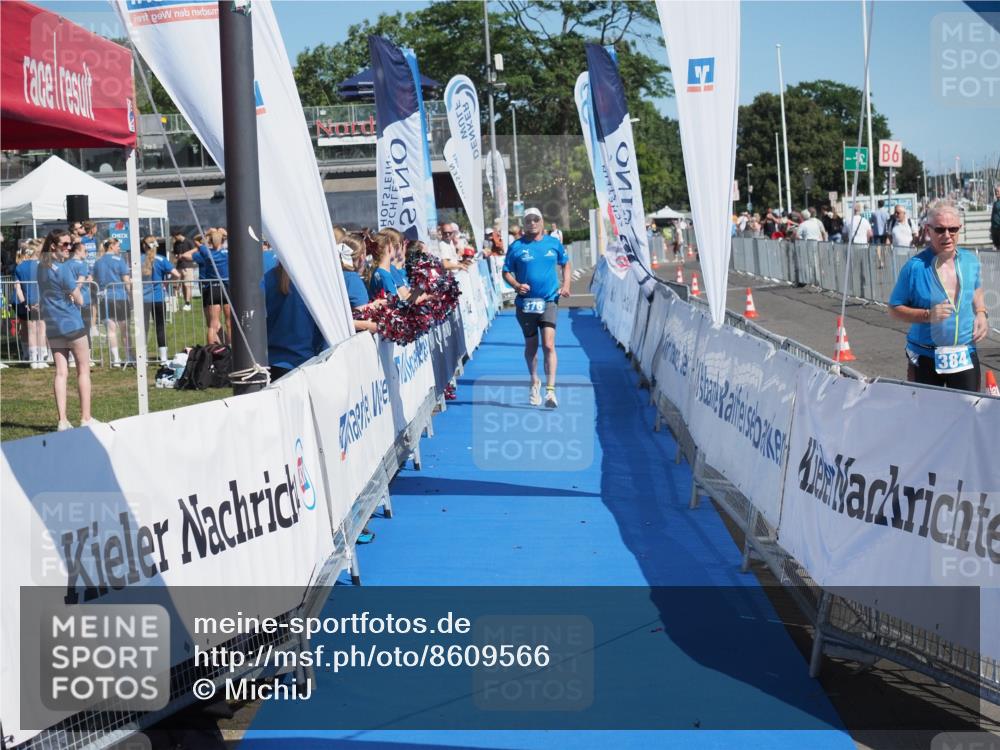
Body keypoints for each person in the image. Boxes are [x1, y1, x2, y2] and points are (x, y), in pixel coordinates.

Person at [888, 200, 988, 392]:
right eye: (940, 230)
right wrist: (927, 315)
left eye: (953, 229)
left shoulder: (969, 260)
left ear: (960, 229)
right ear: (928, 230)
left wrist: (982, 313)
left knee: (968, 412)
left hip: (964, 353)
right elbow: (894, 309)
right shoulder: (914, 267)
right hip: (926, 355)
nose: (947, 235)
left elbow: (976, 288)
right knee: (929, 417)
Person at [502, 207, 571, 408]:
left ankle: (550, 391)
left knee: (549, 344)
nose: (532, 223)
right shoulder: (516, 247)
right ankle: (534, 380)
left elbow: (565, 264)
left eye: (536, 219)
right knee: (531, 346)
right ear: (524, 223)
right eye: (528, 220)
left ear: (542, 221)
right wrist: (516, 285)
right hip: (525, 304)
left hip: (549, 300)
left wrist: (566, 285)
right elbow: (506, 272)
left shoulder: (554, 243)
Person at [36, 230, 96, 431]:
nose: (68, 248)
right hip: (71, 322)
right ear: (53, 245)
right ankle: (86, 417)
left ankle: (62, 420)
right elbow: (78, 298)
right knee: (83, 369)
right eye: (64, 244)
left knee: (61, 372)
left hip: (52, 324)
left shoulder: (40, 267)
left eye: (70, 244)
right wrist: (76, 291)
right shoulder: (61, 269)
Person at [93, 237, 132, 366]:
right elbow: (127, 281)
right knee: (124, 330)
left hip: (105, 298)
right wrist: (131, 295)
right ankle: (128, 356)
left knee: (111, 330)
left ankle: (116, 359)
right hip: (120, 297)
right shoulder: (120, 260)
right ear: (111, 246)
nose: (119, 248)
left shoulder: (98, 262)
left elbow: (94, 280)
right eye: (118, 246)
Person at [141, 236, 181, 362]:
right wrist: (168, 283)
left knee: (143, 328)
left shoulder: (139, 260)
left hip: (143, 299)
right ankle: (163, 358)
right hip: (158, 298)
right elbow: (177, 274)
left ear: (144, 246)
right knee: (160, 327)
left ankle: (144, 358)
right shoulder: (161, 259)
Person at [14, 241, 48, 368]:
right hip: (41, 300)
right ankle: (41, 359)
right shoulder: (43, 265)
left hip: (27, 301)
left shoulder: (19, 266)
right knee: (41, 330)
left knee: (31, 331)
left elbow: (18, 288)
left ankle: (33, 360)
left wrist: (24, 303)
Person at [68, 241, 95, 351]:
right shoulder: (82, 264)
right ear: (78, 251)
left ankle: (71, 354)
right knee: (85, 328)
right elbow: (80, 282)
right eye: (85, 251)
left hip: (69, 300)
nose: (87, 253)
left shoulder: (67, 264)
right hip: (83, 300)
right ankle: (87, 354)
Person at [171, 230, 197, 311]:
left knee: (187, 285)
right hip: (179, 266)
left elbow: (194, 252)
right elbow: (175, 254)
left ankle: (188, 303)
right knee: (177, 285)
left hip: (188, 266)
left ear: (179, 235)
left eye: (175, 237)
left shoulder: (189, 242)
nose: (175, 239)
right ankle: (176, 304)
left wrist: (185, 256)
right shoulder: (176, 244)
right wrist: (177, 256)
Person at [991, 185, 1000, 250]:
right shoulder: (995, 202)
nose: (997, 193)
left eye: (998, 191)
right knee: (996, 245)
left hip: (999, 227)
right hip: (994, 227)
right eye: (996, 191)